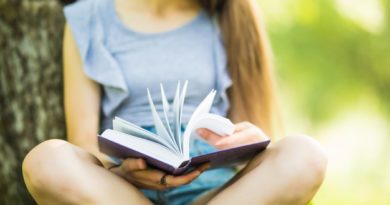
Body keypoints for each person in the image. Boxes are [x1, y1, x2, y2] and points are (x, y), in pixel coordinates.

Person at [22, 0, 327, 204]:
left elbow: (251, 132)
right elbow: (84, 143)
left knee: (306, 155)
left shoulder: (230, 12)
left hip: (217, 194)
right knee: (45, 160)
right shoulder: (88, 17)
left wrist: (253, 141)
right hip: (121, 193)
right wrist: (122, 172)